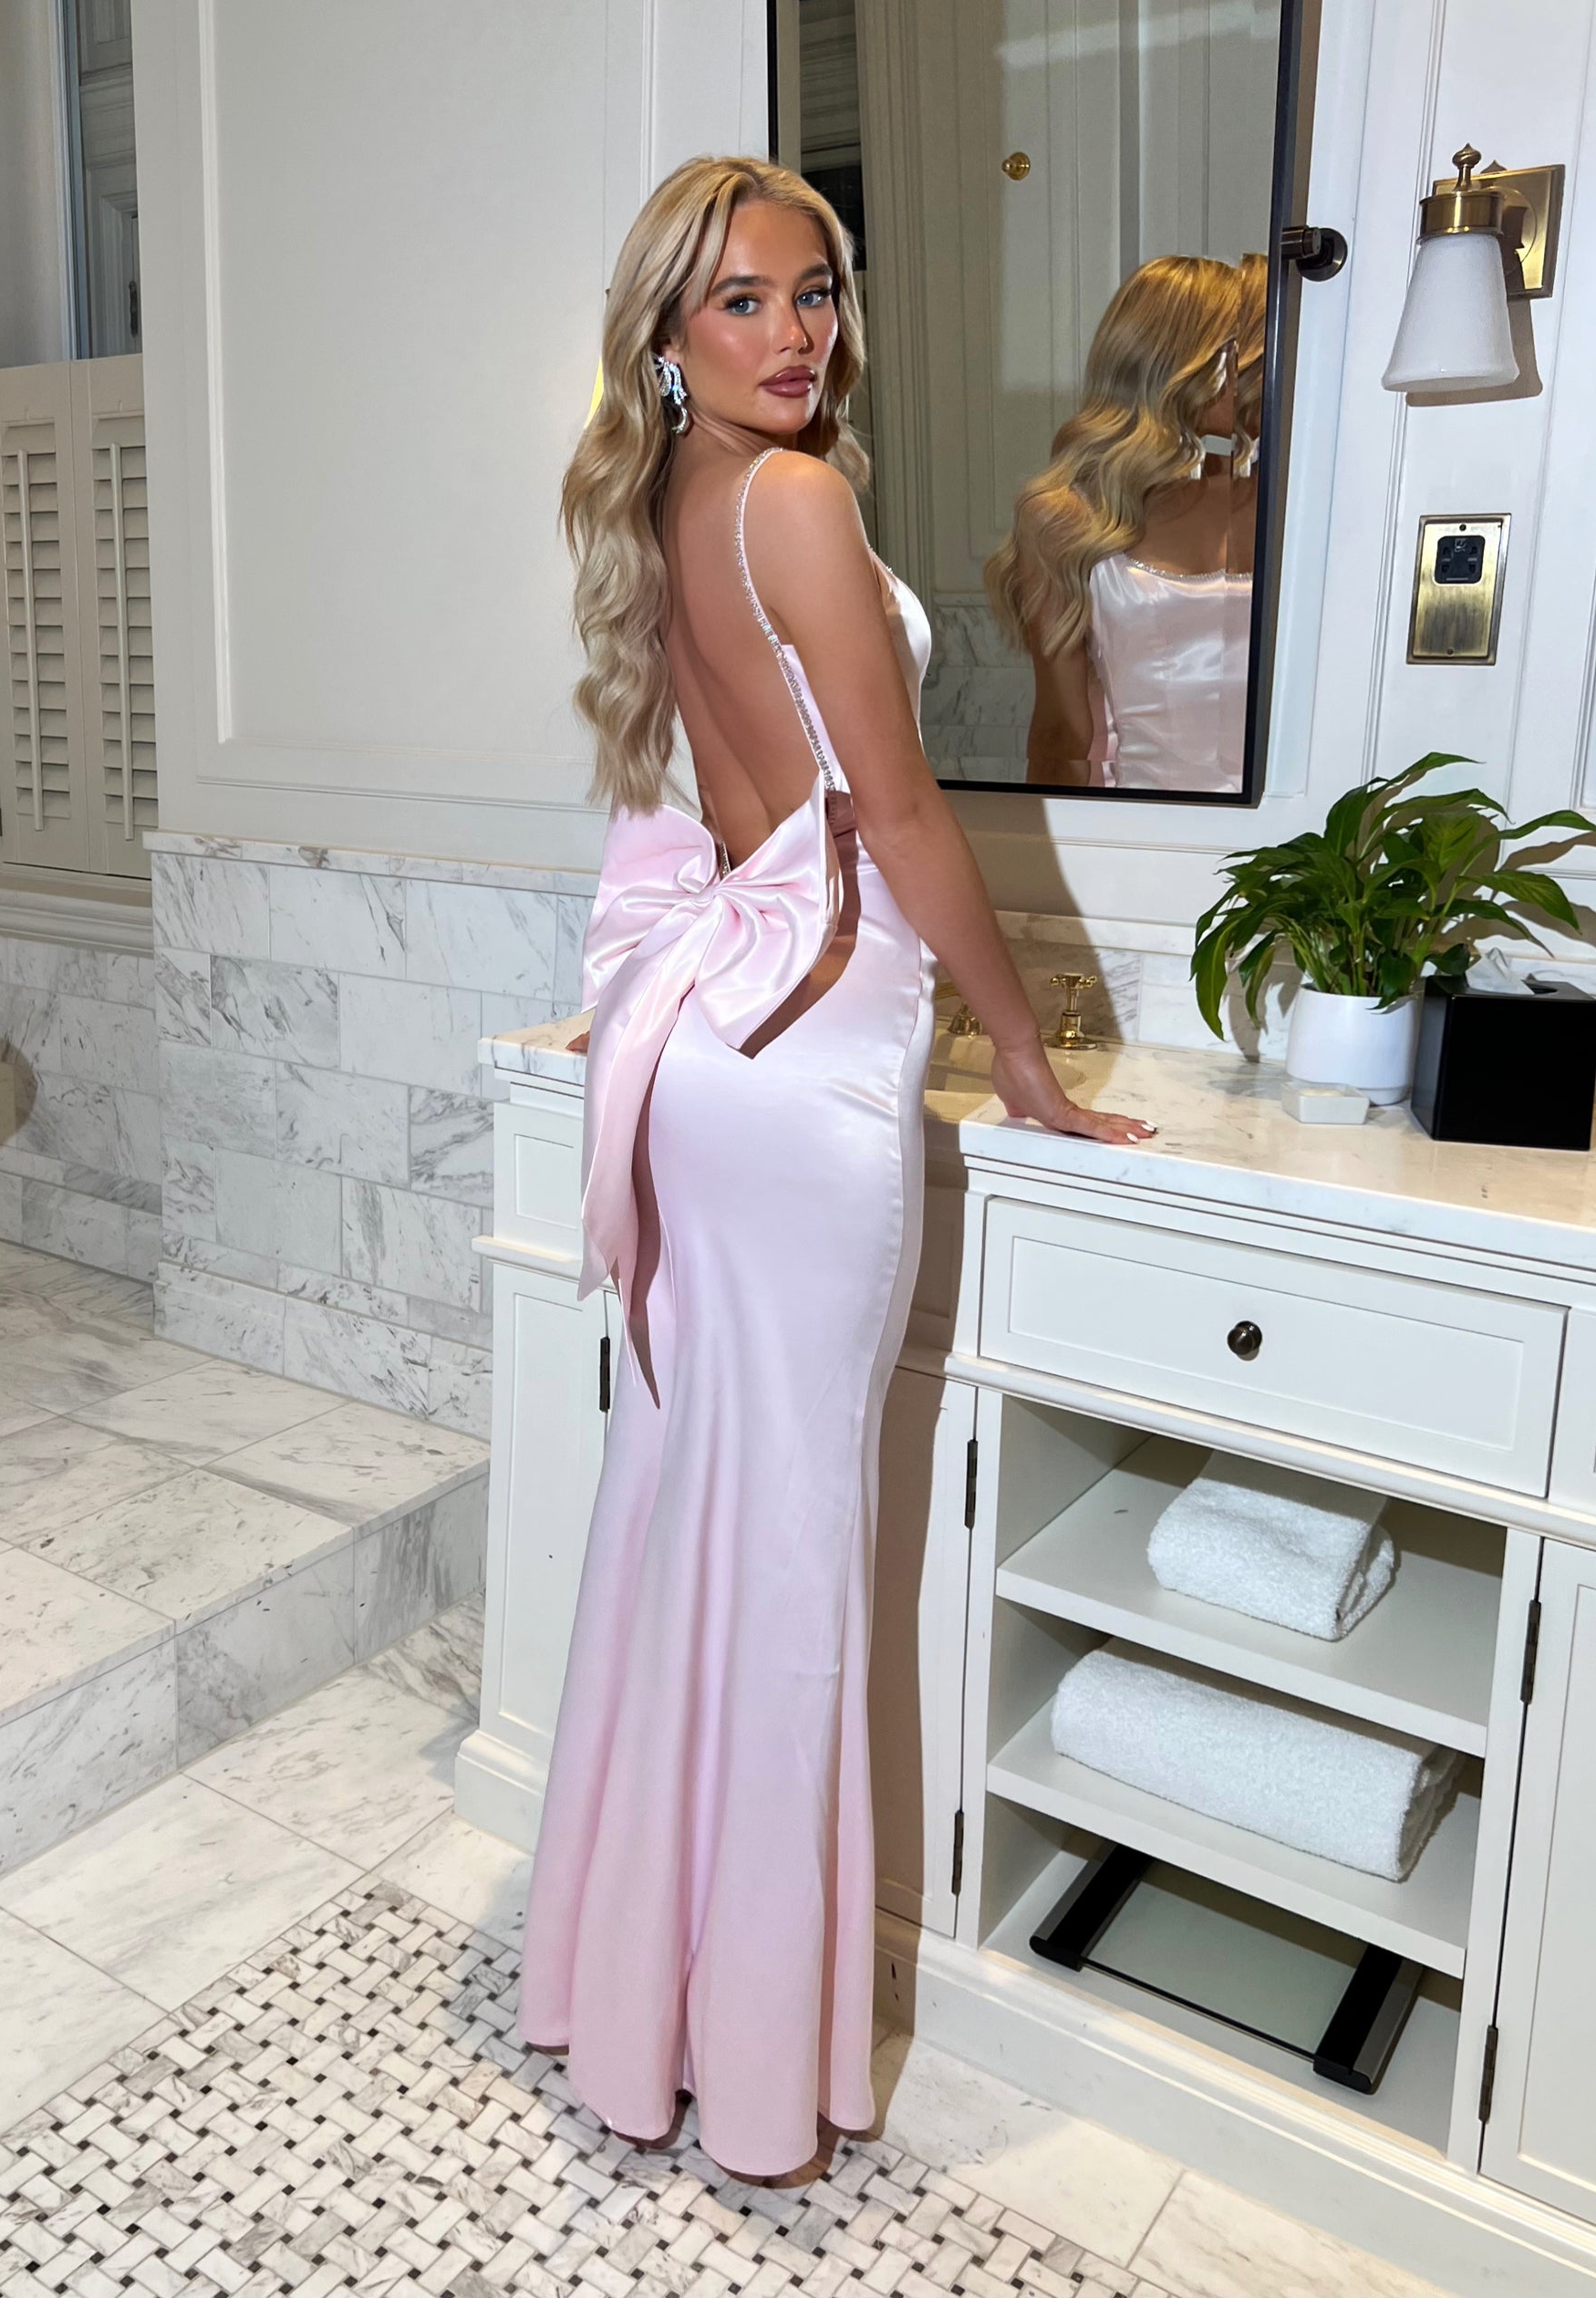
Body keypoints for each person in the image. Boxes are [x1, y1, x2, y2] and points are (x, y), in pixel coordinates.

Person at [516, 153, 1153, 2184]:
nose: (796, 333)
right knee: (787, 1555)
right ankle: (752, 2068)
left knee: (684, 1514)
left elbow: (746, 796)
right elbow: (899, 815)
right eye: (743, 301)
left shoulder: (671, 498)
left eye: (816, 291)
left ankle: (630, 1998)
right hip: (806, 1073)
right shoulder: (790, 499)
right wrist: (1028, 1052)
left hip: (720, 1046)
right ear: (667, 337)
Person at [988, 254, 1251, 793]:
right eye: (1247, 354)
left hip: (1297, 824)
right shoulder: (1065, 519)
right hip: (1144, 825)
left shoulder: (1278, 497)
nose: (1262, 376)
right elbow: (1063, 736)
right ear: (1192, 362)